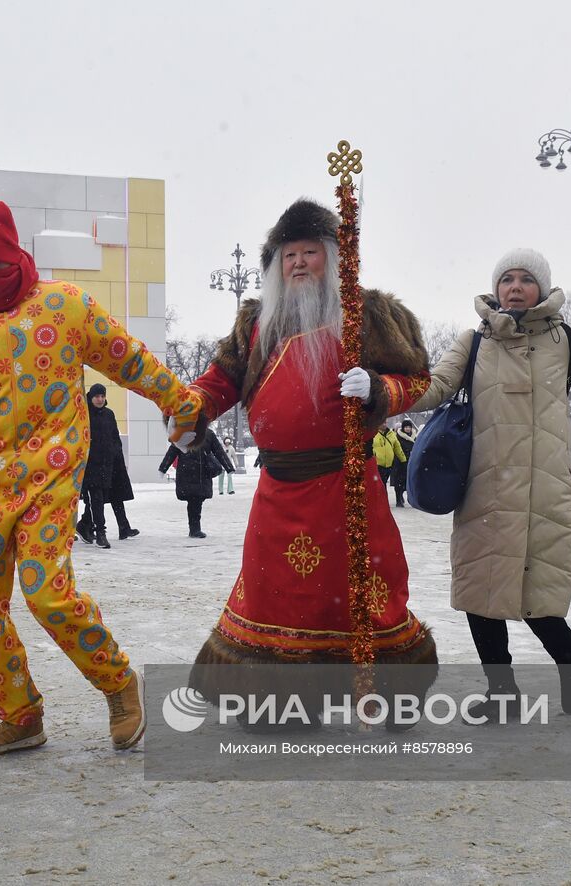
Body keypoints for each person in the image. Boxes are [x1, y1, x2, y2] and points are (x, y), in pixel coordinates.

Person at [0, 200, 203, 758]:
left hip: (50, 474)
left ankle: (120, 684)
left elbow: (129, 358)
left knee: (47, 593)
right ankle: (20, 715)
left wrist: (177, 398)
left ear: (15, 253)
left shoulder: (64, 307)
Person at [186, 198, 439, 724]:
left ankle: (391, 691)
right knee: (276, 596)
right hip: (278, 490)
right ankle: (277, 701)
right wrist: (191, 410)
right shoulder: (256, 323)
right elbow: (219, 382)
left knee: (364, 595)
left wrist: (378, 389)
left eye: (309, 252)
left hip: (346, 483)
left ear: (333, 257)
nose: (298, 262)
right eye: (288, 254)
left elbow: (417, 380)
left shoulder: (369, 315)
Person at [411, 248, 571, 718]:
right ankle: (503, 691)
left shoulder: (566, 341)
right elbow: (434, 387)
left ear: (542, 288)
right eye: (506, 279)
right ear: (495, 288)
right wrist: (377, 392)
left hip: (544, 490)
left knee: (538, 593)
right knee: (481, 592)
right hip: (484, 490)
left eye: (525, 279)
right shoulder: (473, 341)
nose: (514, 287)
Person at [77, 383, 139, 547]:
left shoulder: (109, 414)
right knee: (95, 499)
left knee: (98, 500)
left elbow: (115, 437)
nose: (100, 399)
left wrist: (116, 454)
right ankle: (100, 533)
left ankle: (84, 526)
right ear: (91, 397)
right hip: (90, 466)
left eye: (102, 396)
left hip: (107, 465)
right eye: (97, 396)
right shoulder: (84, 415)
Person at [158, 428, 232, 539]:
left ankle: (194, 529)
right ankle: (195, 529)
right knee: (194, 501)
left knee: (196, 501)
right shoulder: (188, 433)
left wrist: (228, 466)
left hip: (198, 473)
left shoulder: (204, 433)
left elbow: (218, 451)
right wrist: (163, 468)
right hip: (190, 473)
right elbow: (173, 450)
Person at [371, 421, 406, 493]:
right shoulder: (373, 434)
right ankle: (381, 499)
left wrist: (403, 460)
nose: (384, 425)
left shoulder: (391, 434)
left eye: (385, 423)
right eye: (382, 423)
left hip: (389, 465)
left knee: (383, 483)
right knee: (380, 484)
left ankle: (382, 499)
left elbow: (397, 448)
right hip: (377, 464)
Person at [390, 419, 417, 507]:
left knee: (408, 482)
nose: (408, 429)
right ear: (403, 428)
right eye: (406, 427)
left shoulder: (414, 437)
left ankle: (405, 497)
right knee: (399, 482)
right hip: (400, 462)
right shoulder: (398, 437)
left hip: (410, 462)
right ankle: (399, 498)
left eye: (409, 427)